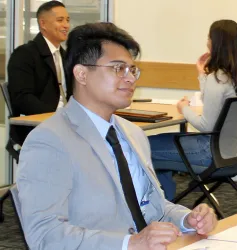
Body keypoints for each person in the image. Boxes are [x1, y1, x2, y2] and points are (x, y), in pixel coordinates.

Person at [16, 22, 217, 250]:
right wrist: (129, 243)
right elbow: (45, 236)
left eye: (132, 70)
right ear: (81, 74)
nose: (131, 78)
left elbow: (150, 206)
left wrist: (187, 219)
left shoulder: (132, 133)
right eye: (118, 68)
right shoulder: (49, 141)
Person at [149, 19, 237, 196]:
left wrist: (183, 108)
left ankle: (165, 202)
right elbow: (212, 102)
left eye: (209, 38)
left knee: (145, 146)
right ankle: (167, 199)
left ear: (215, 43)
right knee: (161, 142)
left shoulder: (218, 78)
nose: (207, 42)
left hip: (209, 154)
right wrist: (202, 75)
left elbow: (206, 126)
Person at [7, 0, 70, 144]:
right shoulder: (24, 54)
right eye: (60, 20)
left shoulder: (65, 56)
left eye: (67, 20)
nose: (66, 25)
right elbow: (22, 98)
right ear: (43, 24)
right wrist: (55, 117)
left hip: (65, 124)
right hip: (38, 127)